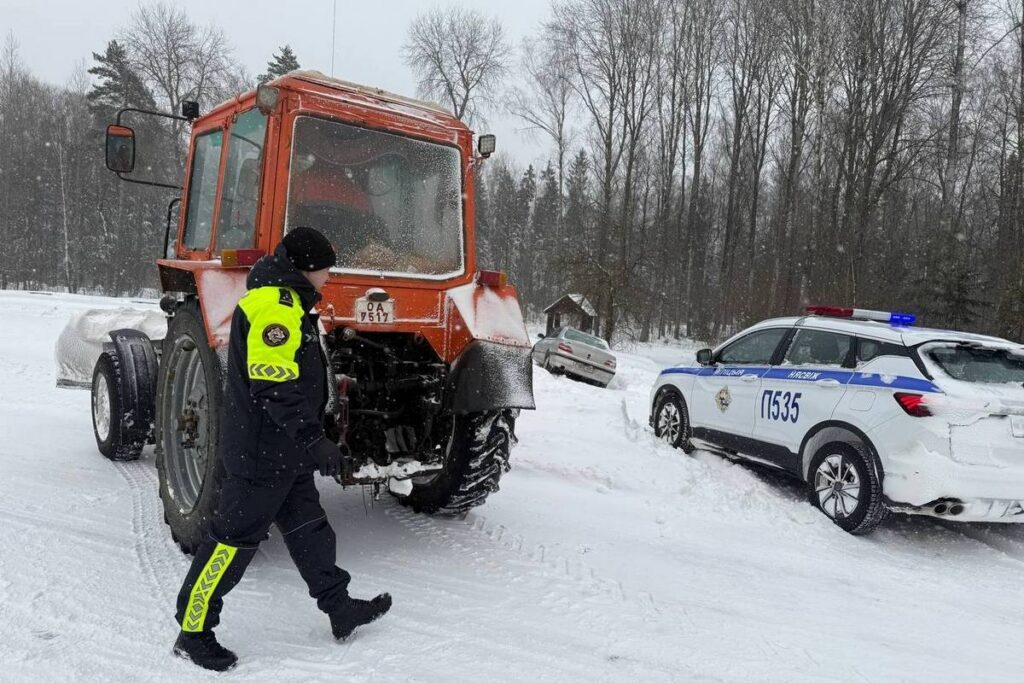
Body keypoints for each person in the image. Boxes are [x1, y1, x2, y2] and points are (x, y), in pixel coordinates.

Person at [171, 226, 391, 672]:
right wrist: (315, 441)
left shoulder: (291, 302)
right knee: (230, 544)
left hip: (284, 452)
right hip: (260, 455)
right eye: (326, 267)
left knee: (310, 529)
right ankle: (192, 632)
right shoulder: (274, 306)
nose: (330, 275)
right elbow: (272, 384)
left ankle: (338, 608)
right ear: (307, 268)